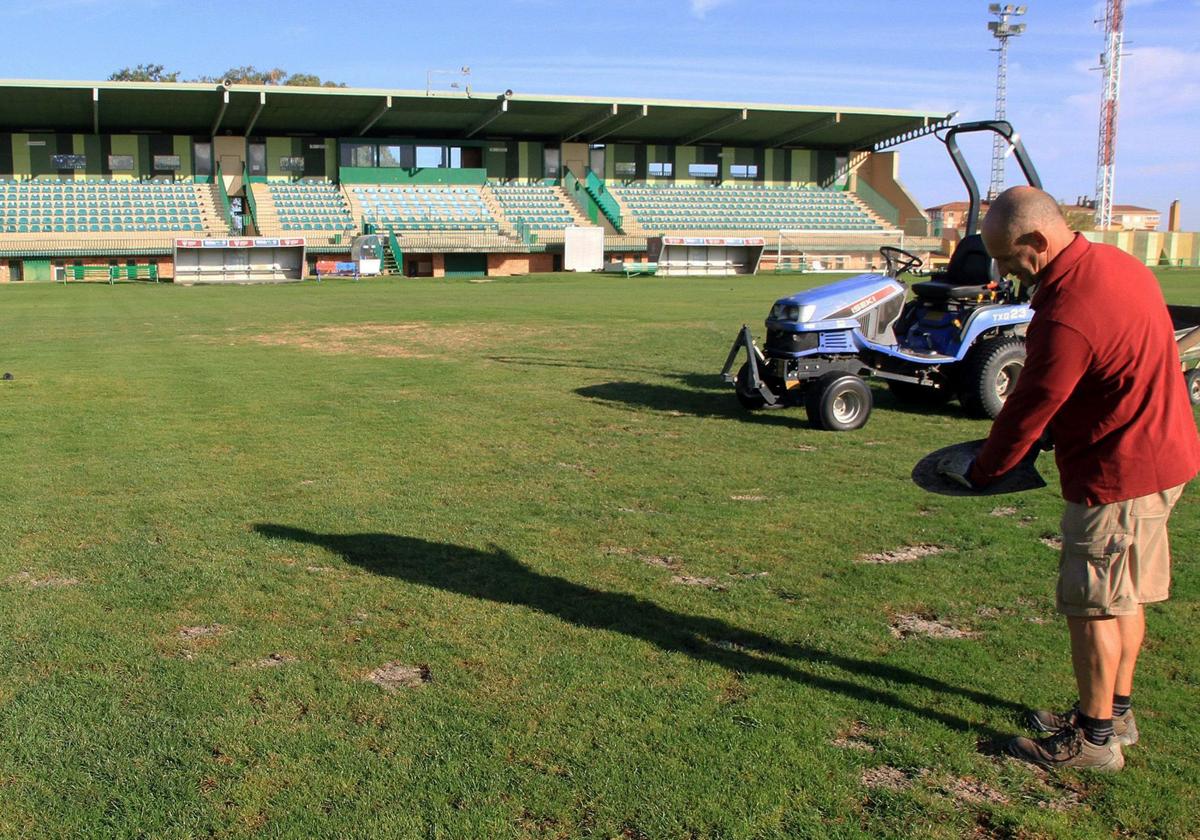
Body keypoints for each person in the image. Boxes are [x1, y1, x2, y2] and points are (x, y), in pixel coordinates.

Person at [938, 186, 1200, 772]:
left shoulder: (1068, 311)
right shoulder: (1118, 265)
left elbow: (1026, 412)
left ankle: (1094, 742)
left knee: (1094, 606)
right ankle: (1114, 714)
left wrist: (981, 473)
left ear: (1038, 240)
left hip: (1120, 473)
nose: (1004, 271)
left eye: (1008, 258)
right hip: (1164, 456)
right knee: (1122, 595)